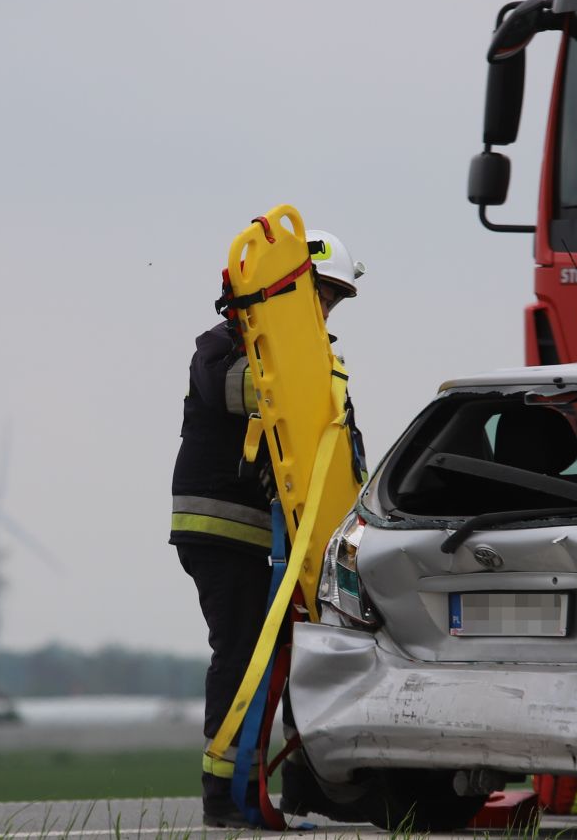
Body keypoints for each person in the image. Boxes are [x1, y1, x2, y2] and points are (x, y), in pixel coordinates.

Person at [170, 229, 363, 829]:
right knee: (243, 656)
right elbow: (255, 395)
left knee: (289, 660)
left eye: (333, 299)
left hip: (285, 543)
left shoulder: (320, 366)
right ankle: (224, 796)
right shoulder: (222, 346)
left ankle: (291, 784)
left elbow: (340, 454)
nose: (325, 309)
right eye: (319, 293)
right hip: (223, 531)